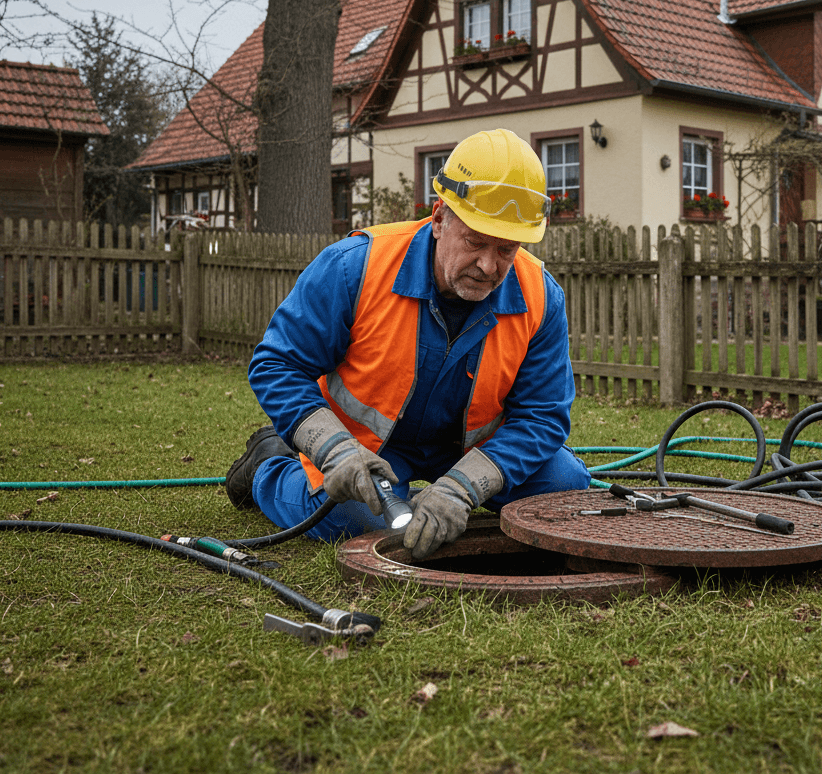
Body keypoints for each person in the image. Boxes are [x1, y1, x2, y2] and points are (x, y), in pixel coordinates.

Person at [225, 128, 590, 559]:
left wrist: (463, 487)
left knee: (565, 487)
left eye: (507, 249)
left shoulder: (541, 296)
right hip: (370, 448)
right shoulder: (355, 267)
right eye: (474, 241)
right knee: (359, 521)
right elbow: (277, 364)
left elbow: (543, 417)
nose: (489, 265)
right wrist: (333, 449)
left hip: (472, 449)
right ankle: (268, 466)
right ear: (439, 219)